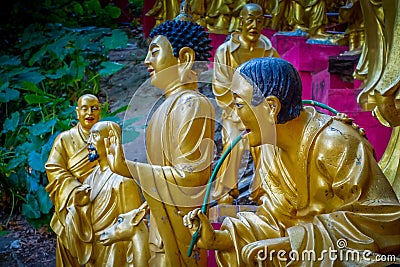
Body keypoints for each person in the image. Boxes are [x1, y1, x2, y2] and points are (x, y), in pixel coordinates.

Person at [184, 57, 400, 266]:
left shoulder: (336, 143)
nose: (232, 115)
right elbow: (273, 222)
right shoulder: (268, 149)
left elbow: (386, 223)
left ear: (271, 107)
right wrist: (219, 240)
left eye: (239, 105)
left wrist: (294, 243)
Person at [106, 18, 215, 266]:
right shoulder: (162, 109)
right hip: (160, 225)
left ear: (185, 58)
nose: (147, 61)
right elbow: (160, 173)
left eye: (154, 52)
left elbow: (192, 178)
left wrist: (132, 168)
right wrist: (123, 169)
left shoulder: (191, 104)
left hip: (181, 227)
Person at [212, 3, 279, 204]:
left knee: (268, 145)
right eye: (249, 20)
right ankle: (225, 191)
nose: (254, 25)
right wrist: (241, 110)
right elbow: (221, 86)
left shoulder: (268, 51)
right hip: (234, 114)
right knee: (234, 144)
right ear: (240, 21)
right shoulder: (225, 51)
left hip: (261, 114)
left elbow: (277, 80)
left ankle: (264, 192)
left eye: (259, 20)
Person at [64, 121, 150, 266]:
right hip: (94, 248)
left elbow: (133, 225)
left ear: (111, 139)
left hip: (114, 251)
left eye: (95, 136)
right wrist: (79, 207)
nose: (89, 142)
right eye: (89, 137)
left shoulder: (123, 180)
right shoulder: (90, 177)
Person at [45, 94, 100, 266]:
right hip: (73, 201)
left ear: (100, 112)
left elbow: (116, 166)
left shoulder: (106, 136)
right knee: (68, 239)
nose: (89, 112)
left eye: (94, 108)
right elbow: (53, 168)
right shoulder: (65, 139)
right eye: (84, 108)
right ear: (77, 112)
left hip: (101, 198)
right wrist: (74, 189)